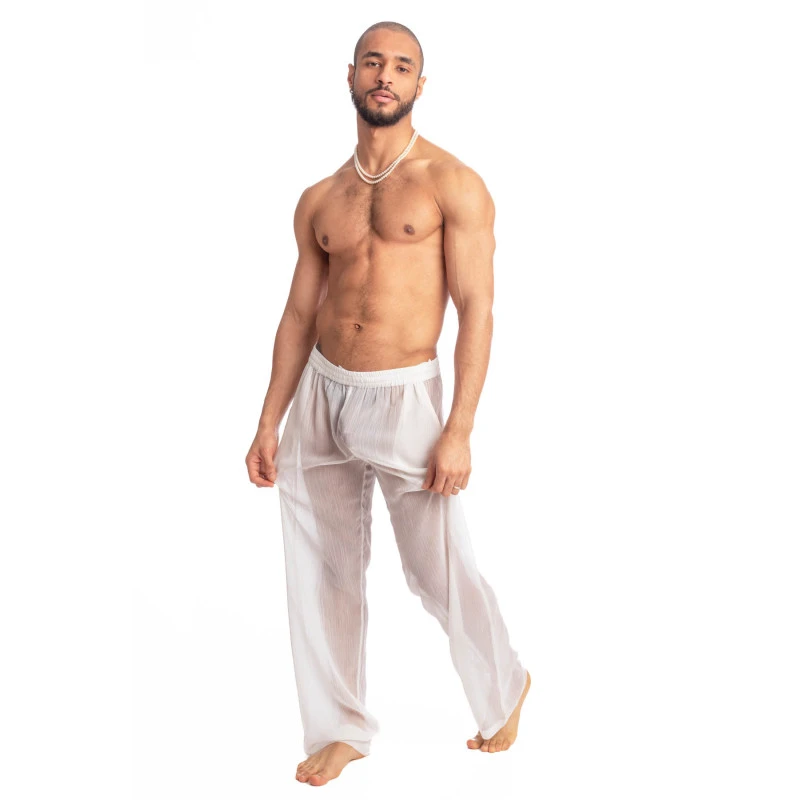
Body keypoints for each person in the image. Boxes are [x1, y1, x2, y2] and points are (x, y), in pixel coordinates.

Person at [245, 20, 531, 787]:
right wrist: (269, 420)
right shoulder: (320, 199)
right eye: (373, 62)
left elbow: (478, 308)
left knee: (437, 569)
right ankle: (340, 728)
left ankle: (504, 685)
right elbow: (299, 314)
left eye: (402, 66)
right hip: (320, 394)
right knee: (323, 570)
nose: (386, 75)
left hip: (404, 395)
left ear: (419, 86)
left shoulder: (451, 183)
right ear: (350, 75)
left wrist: (459, 429)